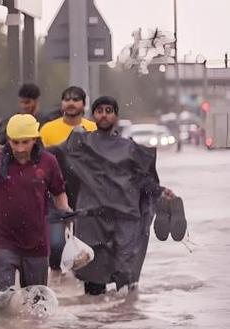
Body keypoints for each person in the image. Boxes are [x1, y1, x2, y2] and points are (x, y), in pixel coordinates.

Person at [48, 96, 181, 295]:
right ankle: (97, 323)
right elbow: (50, 155)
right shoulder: (80, 144)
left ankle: (123, 320)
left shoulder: (130, 148)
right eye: (100, 110)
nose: (104, 115)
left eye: (109, 110)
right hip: (92, 218)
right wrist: (7, 151)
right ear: (93, 115)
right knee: (93, 277)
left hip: (124, 218)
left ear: (116, 116)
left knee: (125, 277)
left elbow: (142, 180)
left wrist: (160, 191)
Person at [0, 114, 71, 308]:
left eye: (25, 142)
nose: (19, 148)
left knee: (37, 305)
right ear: (7, 140)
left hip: (37, 243)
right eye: (14, 142)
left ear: (35, 139)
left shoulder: (48, 162)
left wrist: (65, 211)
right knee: (0, 301)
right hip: (3, 241)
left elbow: (59, 193)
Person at [39, 86, 98, 274]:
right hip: (54, 195)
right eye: (67, 99)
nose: (71, 103)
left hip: (85, 195)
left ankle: (79, 285)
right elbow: (38, 161)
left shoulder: (93, 128)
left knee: (85, 245)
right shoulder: (47, 129)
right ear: (62, 103)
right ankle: (59, 283)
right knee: (56, 245)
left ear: (84, 104)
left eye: (75, 99)